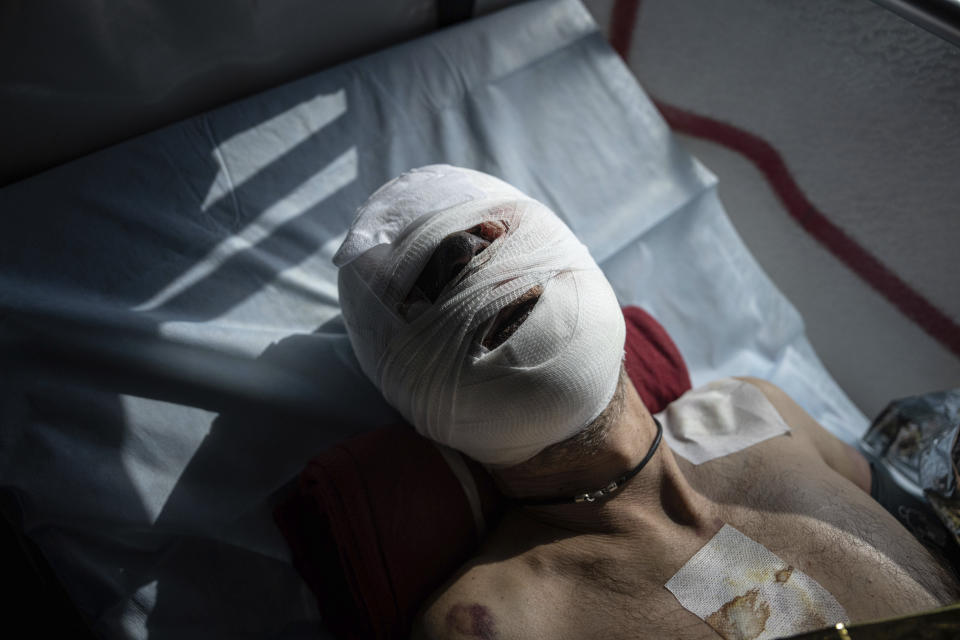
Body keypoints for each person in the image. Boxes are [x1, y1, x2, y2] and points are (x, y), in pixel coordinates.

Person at [334, 165, 959, 640]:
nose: (469, 257)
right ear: (417, 408)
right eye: (425, 285)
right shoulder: (496, 620)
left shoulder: (758, 408)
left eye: (481, 231)